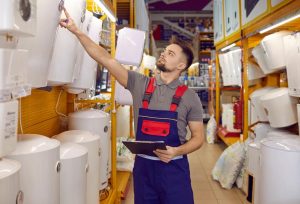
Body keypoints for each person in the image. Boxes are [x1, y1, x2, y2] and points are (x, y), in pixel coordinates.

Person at [60, 8, 204, 204]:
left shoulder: (190, 97)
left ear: (180, 66)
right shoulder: (140, 84)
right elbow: (105, 58)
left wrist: (176, 151)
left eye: (170, 54)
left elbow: (198, 138)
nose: (163, 54)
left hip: (174, 172)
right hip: (144, 172)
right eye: (165, 50)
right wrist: (77, 31)